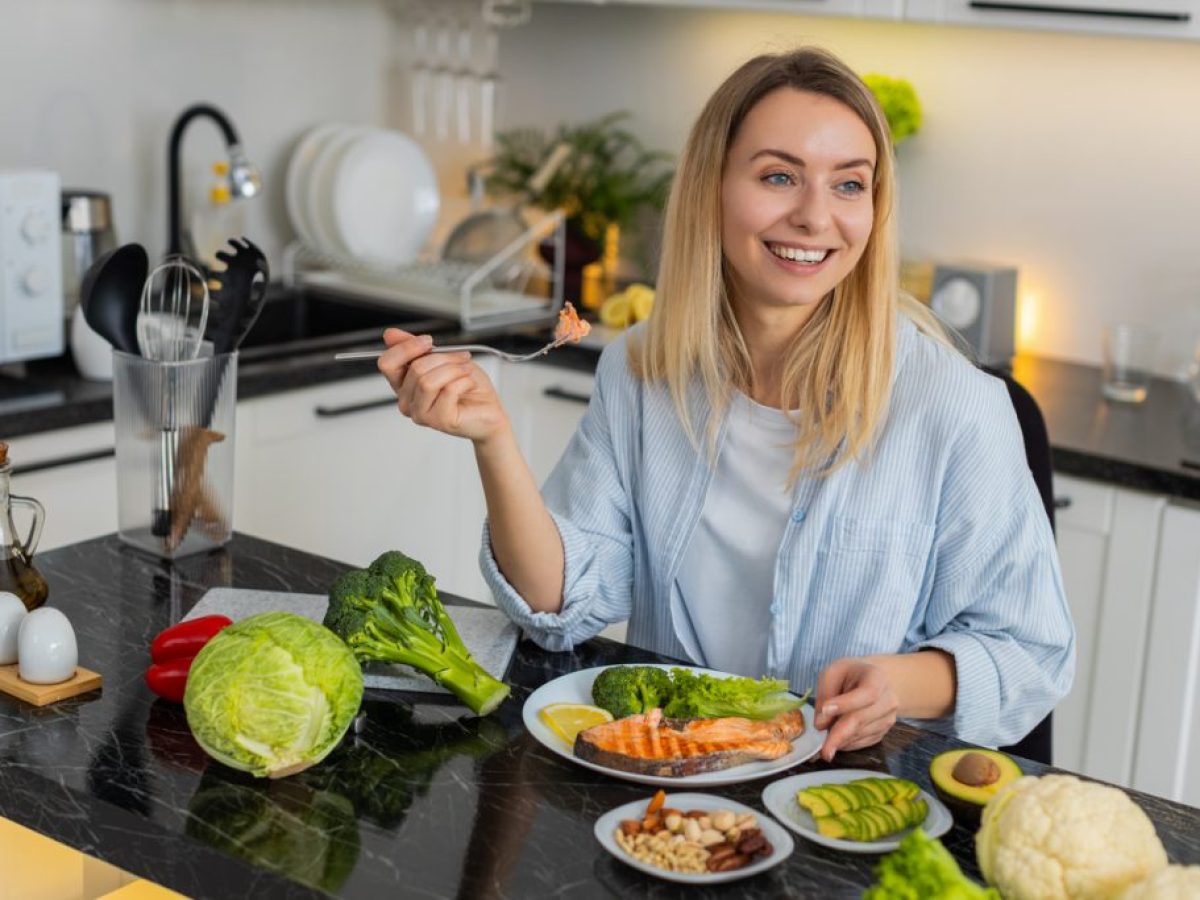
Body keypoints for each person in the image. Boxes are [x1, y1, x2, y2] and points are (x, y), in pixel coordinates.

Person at [376, 47, 1075, 759]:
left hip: (851, 801)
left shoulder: (956, 407)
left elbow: (1028, 651)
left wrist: (897, 683)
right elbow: (560, 606)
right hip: (670, 792)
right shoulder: (642, 371)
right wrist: (493, 439)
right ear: (712, 187)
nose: (814, 217)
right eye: (779, 177)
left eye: (848, 185)